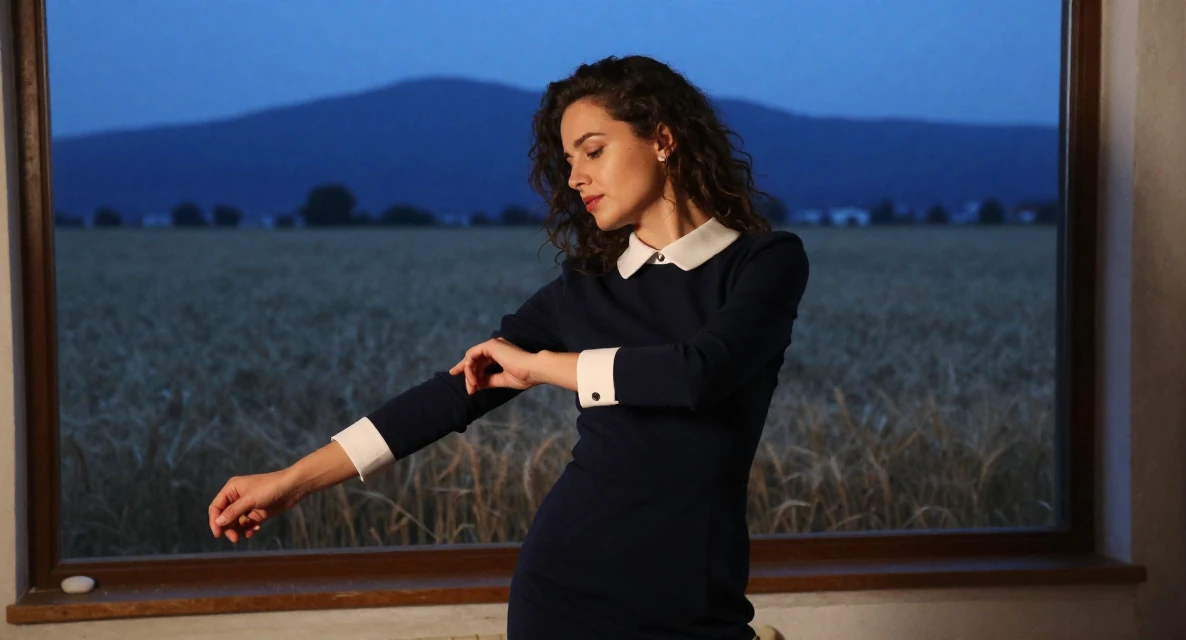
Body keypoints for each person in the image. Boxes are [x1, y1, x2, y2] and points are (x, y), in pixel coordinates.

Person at [207, 54, 809, 640]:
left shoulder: (763, 263)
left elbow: (698, 375)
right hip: (563, 590)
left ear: (663, 139)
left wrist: (544, 367)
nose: (575, 178)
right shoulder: (584, 290)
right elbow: (449, 397)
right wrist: (291, 480)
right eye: (568, 160)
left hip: (695, 596)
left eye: (594, 151)